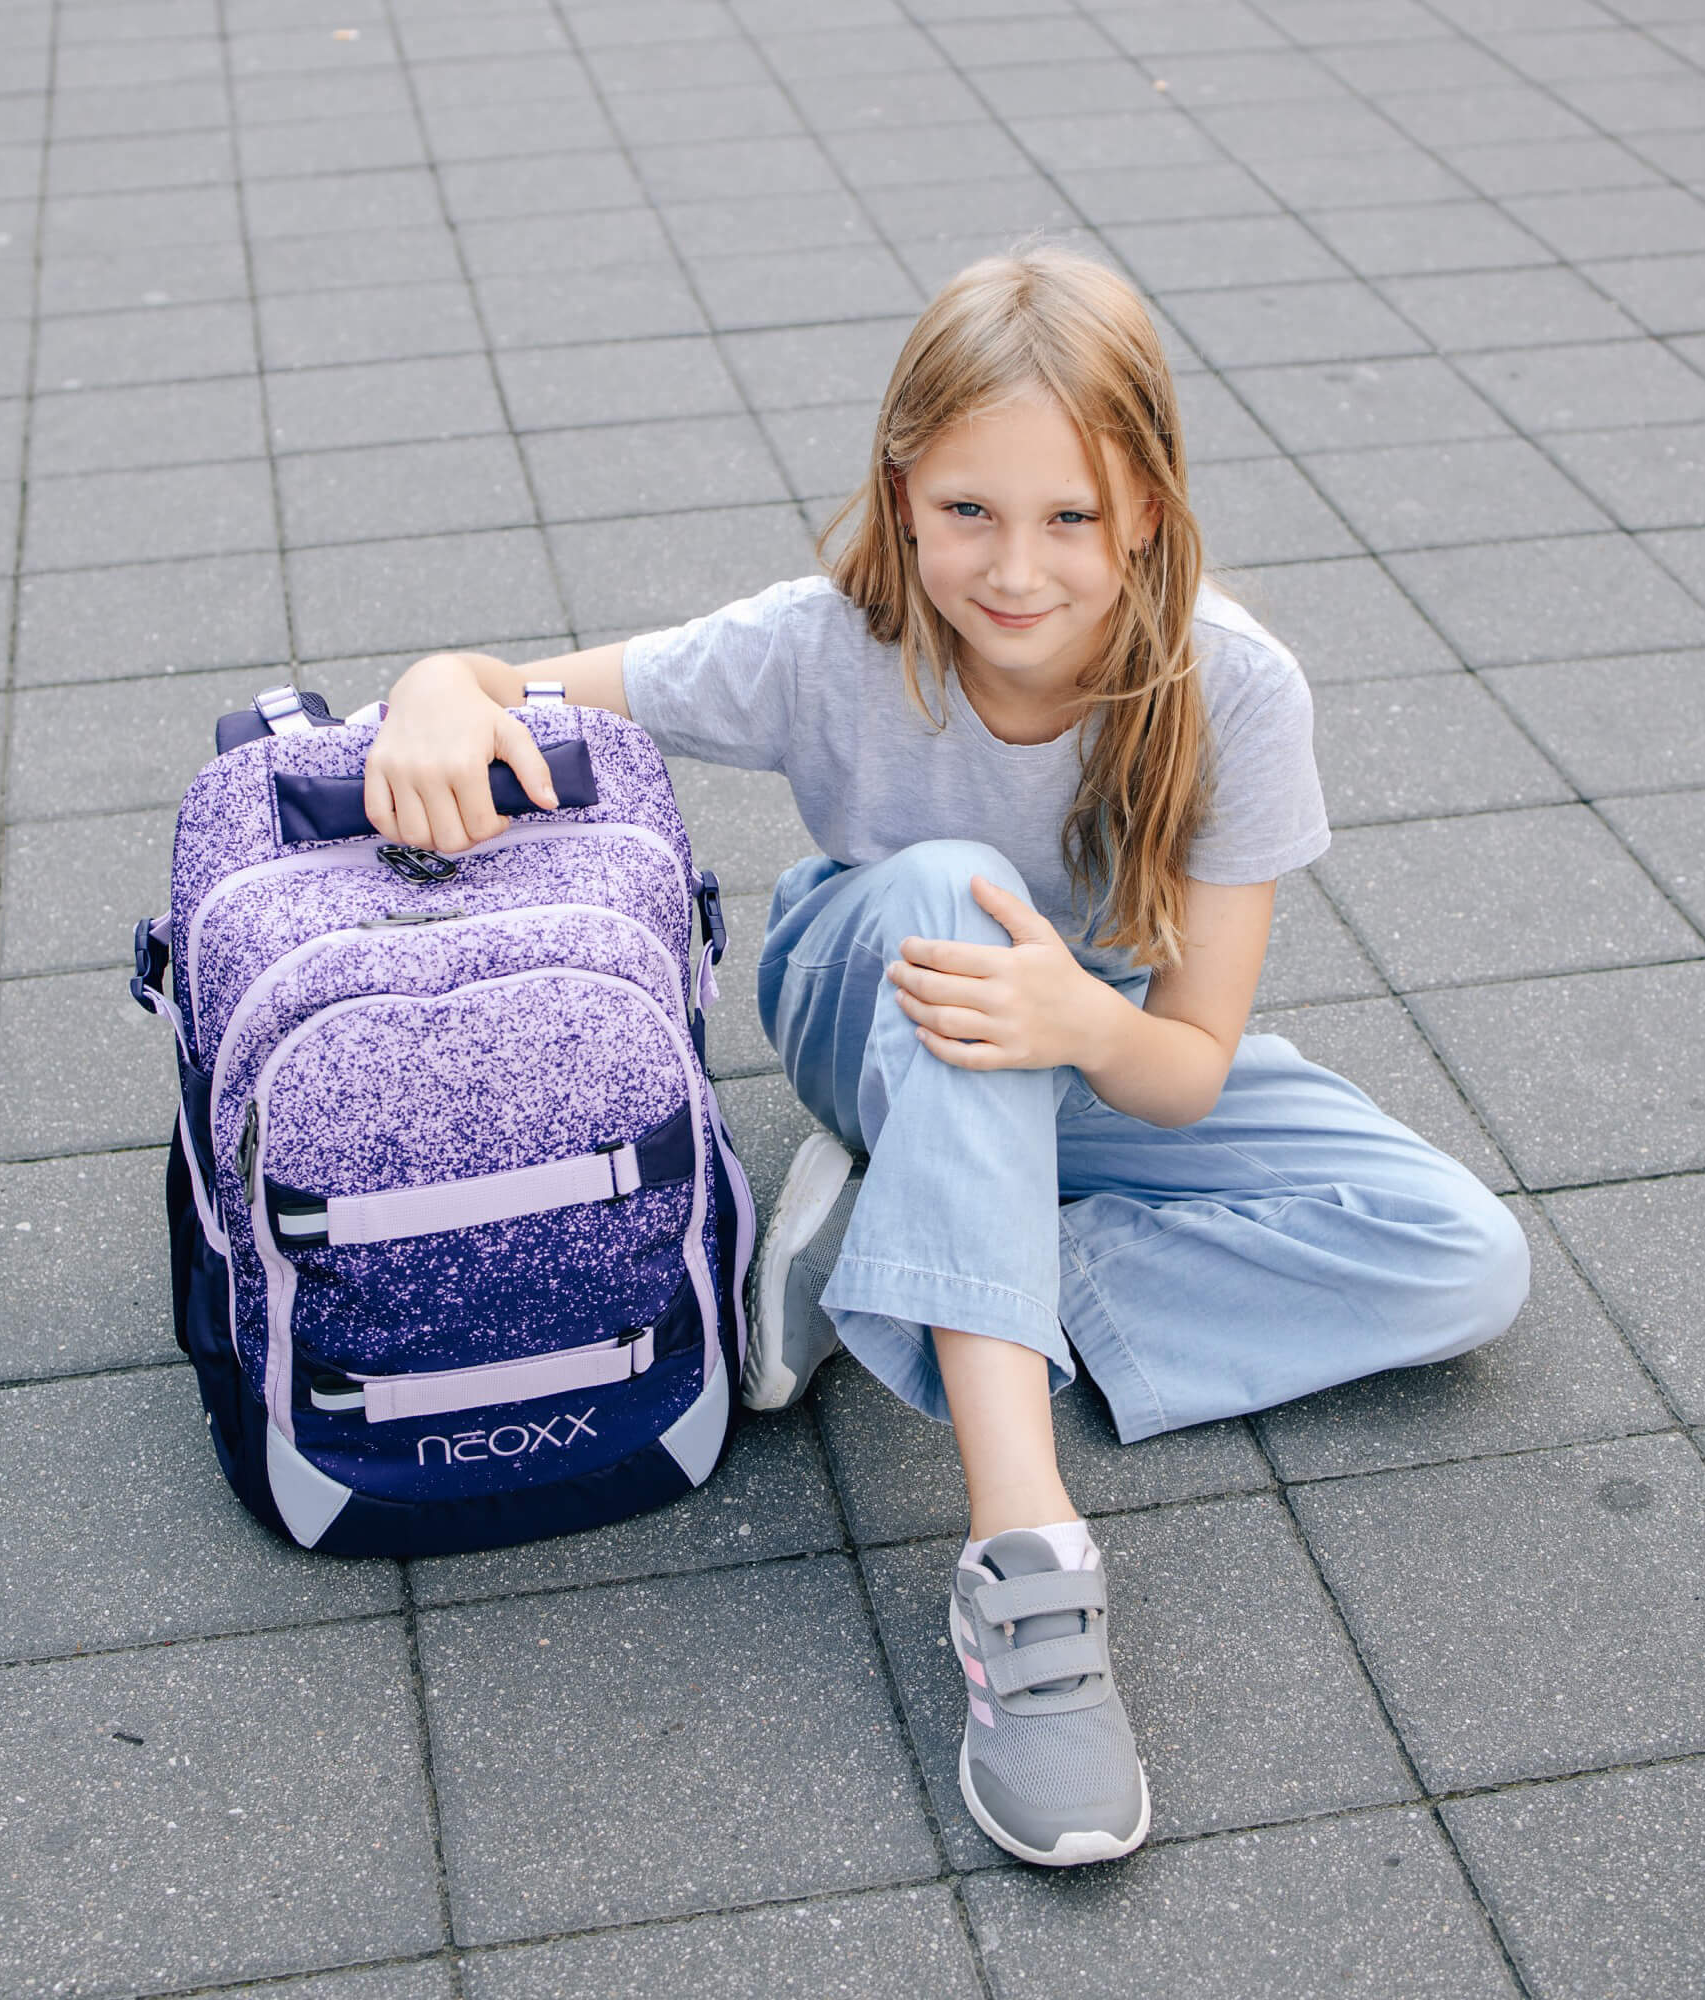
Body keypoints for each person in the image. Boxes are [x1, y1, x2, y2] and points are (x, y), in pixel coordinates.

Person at [362, 248, 1530, 1868]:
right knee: (958, 904)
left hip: (1095, 1050)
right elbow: (514, 685)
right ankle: (1026, 1556)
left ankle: (909, 1257)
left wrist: (1084, 1024)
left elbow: (1187, 1068)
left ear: (1147, 510)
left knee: (1463, 1261)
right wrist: (434, 687)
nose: (1017, 566)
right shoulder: (823, 643)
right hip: (873, 1004)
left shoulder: (1235, 688)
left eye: (1070, 517)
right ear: (902, 492)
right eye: (970, 509)